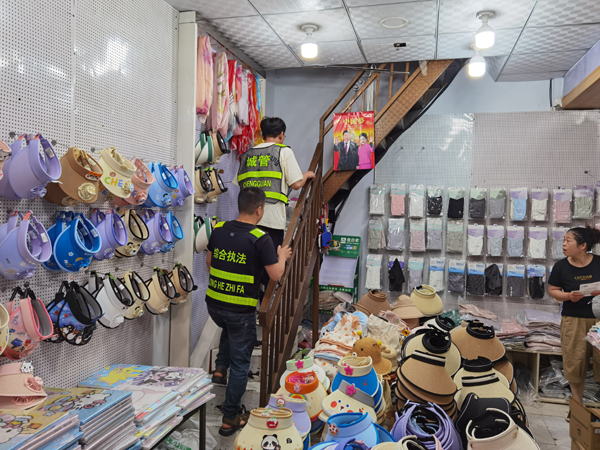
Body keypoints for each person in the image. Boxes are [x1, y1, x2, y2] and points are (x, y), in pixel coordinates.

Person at [205, 187, 292, 436]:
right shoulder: (260, 238)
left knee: (229, 327)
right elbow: (275, 274)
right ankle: (230, 417)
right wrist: (282, 256)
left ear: (239, 205)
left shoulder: (219, 229)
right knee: (241, 365)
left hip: (214, 305)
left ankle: (219, 369)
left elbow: (210, 263)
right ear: (260, 210)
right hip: (240, 310)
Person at [236, 117, 314, 252]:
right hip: (272, 222)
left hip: (247, 221)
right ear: (281, 135)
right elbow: (296, 184)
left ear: (262, 135)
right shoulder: (284, 151)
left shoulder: (247, 154)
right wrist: (306, 175)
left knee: (249, 262)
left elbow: (239, 182)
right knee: (270, 262)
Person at [548, 225, 600, 404]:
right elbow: (553, 290)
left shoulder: (599, 262)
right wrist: (568, 296)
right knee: (575, 362)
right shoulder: (560, 266)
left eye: (568, 241)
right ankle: (577, 406)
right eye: (564, 240)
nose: (563, 244)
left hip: (599, 320)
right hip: (573, 319)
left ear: (582, 245)